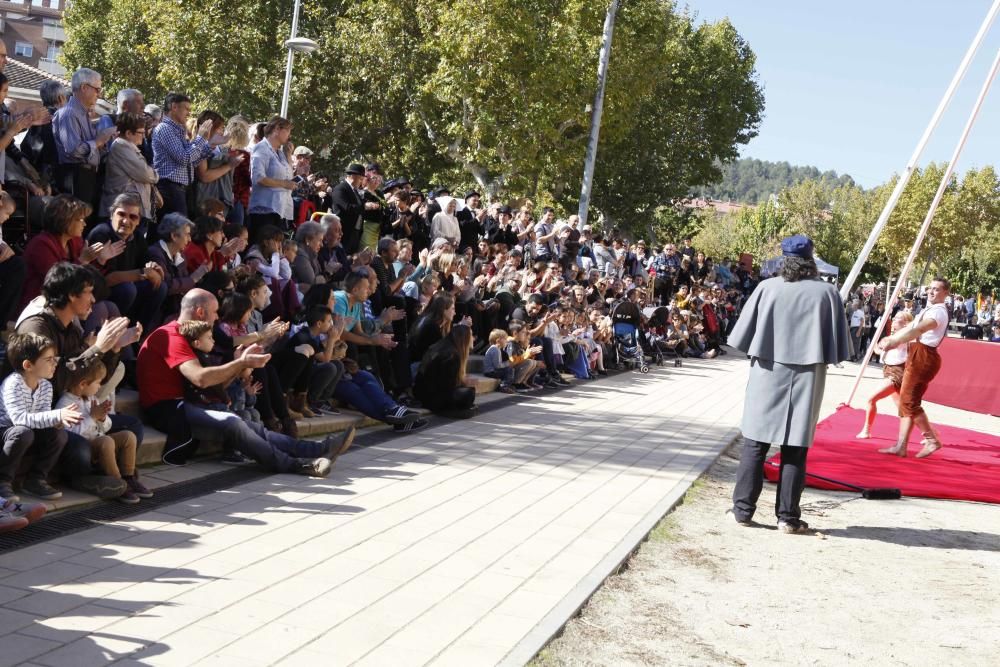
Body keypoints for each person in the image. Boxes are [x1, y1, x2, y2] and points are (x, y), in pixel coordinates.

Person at [137, 288, 353, 475]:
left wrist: (240, 364)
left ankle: (316, 449)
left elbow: (212, 383)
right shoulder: (170, 336)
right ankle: (298, 464)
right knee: (233, 423)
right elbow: (201, 379)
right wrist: (241, 363)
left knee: (253, 427)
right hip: (167, 407)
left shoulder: (184, 334)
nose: (216, 318)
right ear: (200, 312)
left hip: (186, 402)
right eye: (214, 313)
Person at [728, 235, 850, 534]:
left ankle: (742, 511)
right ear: (811, 260)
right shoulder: (827, 293)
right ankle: (787, 517)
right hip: (807, 374)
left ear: (784, 260)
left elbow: (741, 337)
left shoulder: (766, 288)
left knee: (755, 443)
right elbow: (840, 347)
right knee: (795, 447)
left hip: (768, 372)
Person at [55, 360, 150, 504]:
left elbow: (105, 428)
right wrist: (92, 417)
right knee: (106, 441)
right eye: (98, 382)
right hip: (85, 450)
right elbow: (73, 435)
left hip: (100, 443)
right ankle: (118, 483)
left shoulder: (90, 399)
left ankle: (128, 477)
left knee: (128, 436)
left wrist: (103, 418)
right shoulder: (65, 404)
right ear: (83, 384)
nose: (100, 386)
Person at [877, 278, 952, 459]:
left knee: (909, 401)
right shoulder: (930, 309)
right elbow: (912, 327)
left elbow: (918, 330)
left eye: (936, 289)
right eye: (930, 288)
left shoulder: (939, 312)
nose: (931, 292)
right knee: (906, 401)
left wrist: (894, 341)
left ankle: (931, 439)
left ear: (945, 293)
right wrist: (892, 339)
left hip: (924, 356)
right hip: (918, 353)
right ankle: (901, 445)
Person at [0, 333, 73, 501]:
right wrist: (56, 415)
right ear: (28, 365)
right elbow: (19, 419)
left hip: (27, 433)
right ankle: (3, 481)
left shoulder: (46, 386)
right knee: (22, 432)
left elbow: (42, 417)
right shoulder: (13, 383)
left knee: (59, 434)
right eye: (49, 359)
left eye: (55, 358)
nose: (55, 363)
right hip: (6, 432)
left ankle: (35, 480)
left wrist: (58, 421)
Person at [52, 68, 117, 207]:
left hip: (86, 176)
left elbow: (93, 146)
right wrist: (99, 141)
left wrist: (106, 139)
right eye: (97, 89)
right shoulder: (69, 114)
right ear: (84, 88)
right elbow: (73, 150)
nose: (99, 94)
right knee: (75, 221)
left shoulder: (83, 114)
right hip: (75, 176)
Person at [152, 92, 221, 217]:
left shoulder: (177, 129)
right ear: (174, 107)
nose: (189, 113)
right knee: (175, 230)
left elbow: (191, 161)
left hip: (180, 189)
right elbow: (184, 158)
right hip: (169, 188)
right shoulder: (164, 128)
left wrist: (210, 144)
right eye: (186, 109)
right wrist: (200, 138)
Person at [856, 311, 913, 439]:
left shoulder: (904, 336)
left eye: (898, 318)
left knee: (871, 399)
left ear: (906, 324)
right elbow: (880, 350)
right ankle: (929, 435)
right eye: (895, 317)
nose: (894, 320)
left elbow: (887, 345)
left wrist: (881, 343)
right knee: (904, 408)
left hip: (896, 373)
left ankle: (866, 430)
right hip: (888, 370)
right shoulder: (895, 335)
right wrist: (875, 345)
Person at [247, 116, 295, 239]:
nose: (289, 135)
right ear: (277, 129)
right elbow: (258, 178)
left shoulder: (280, 152)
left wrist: (288, 156)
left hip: (280, 208)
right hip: (265, 209)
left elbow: (289, 176)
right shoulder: (262, 148)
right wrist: (283, 184)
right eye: (288, 130)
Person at [414, 323, 477, 416]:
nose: (473, 338)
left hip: (422, 393)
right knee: (469, 393)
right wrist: (464, 383)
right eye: (471, 335)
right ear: (464, 338)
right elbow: (446, 387)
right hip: (433, 399)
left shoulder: (443, 347)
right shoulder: (452, 356)